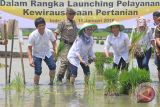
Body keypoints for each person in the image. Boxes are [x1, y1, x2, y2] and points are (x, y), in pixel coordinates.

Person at [28, 17, 56, 85]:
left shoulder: (49, 32)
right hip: (37, 54)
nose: (41, 27)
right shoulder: (33, 35)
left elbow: (54, 42)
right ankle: (36, 86)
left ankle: (51, 83)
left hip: (47, 52)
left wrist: (56, 52)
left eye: (42, 25)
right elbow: (29, 48)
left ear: (45, 25)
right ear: (36, 27)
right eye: (39, 26)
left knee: (53, 66)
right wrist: (30, 59)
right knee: (38, 71)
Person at [54, 7, 78, 83]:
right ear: (67, 14)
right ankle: (59, 78)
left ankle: (68, 79)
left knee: (72, 62)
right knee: (64, 62)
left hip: (73, 45)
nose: (72, 15)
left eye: (73, 14)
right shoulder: (62, 22)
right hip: (65, 45)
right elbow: (56, 33)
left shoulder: (74, 22)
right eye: (70, 14)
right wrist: (54, 45)